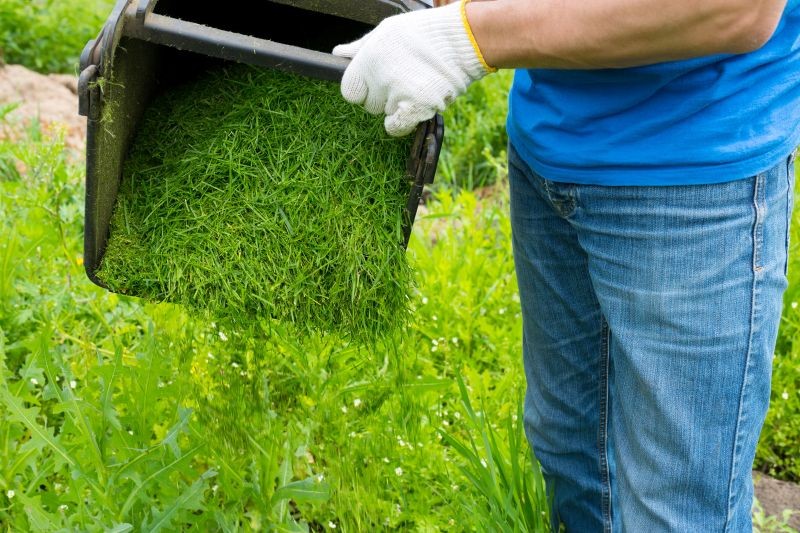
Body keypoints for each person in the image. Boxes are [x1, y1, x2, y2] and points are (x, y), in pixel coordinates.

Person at [333, 0, 800, 531]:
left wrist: (467, 37)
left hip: (692, 170)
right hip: (548, 143)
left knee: (673, 508)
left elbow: (734, 10)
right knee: (570, 450)